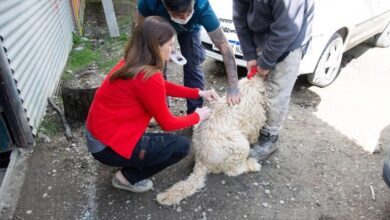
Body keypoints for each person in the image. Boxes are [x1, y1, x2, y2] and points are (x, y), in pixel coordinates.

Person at [85, 16, 220, 193]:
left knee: (158, 141)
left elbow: (162, 87)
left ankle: (127, 159)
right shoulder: (149, 76)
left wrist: (198, 93)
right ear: (156, 46)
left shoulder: (133, 61)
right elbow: (168, 124)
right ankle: (126, 178)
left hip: (98, 135)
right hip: (106, 147)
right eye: (170, 45)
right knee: (181, 147)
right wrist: (197, 116)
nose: (173, 50)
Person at [233, 0, 314, 160]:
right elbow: (239, 18)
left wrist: (266, 61)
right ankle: (255, 129)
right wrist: (249, 54)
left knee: (276, 92)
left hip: (290, 41)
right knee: (259, 88)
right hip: (262, 34)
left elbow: (287, 28)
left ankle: (269, 137)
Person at [137, 0, 241, 114]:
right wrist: (159, 49)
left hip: (190, 30)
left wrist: (233, 85)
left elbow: (223, 44)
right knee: (156, 66)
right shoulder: (148, 2)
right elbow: (141, 30)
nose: (184, 17)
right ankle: (160, 109)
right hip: (159, 28)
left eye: (188, 12)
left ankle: (195, 112)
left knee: (192, 64)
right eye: (179, 15)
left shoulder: (202, 7)